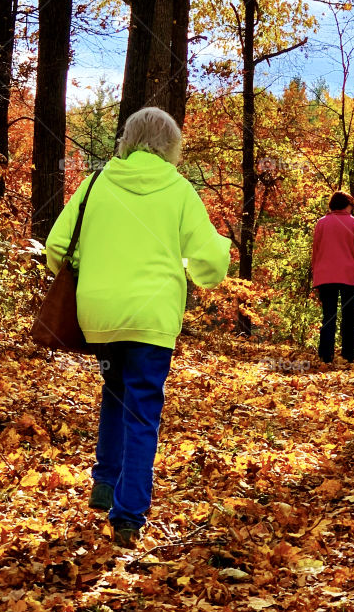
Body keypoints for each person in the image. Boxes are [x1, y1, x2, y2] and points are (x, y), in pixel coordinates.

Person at [46, 107, 231, 547]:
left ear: (127, 140)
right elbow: (209, 262)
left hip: (101, 315)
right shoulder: (179, 189)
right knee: (143, 408)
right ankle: (128, 515)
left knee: (115, 392)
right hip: (151, 318)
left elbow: (56, 246)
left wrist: (92, 271)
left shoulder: (96, 182)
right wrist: (213, 257)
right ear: (171, 146)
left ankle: (105, 483)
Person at [310, 191, 354, 364]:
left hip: (325, 277)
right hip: (349, 277)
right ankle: (349, 355)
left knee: (328, 316)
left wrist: (316, 275)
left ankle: (326, 355)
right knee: (348, 317)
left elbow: (316, 251)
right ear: (348, 205)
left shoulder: (321, 223)